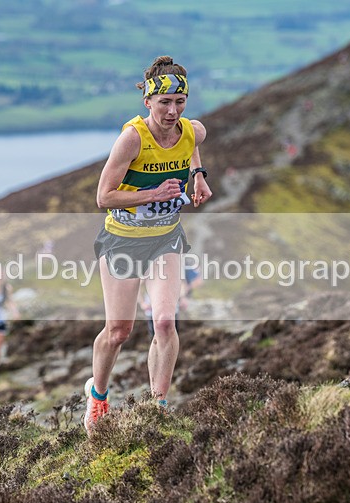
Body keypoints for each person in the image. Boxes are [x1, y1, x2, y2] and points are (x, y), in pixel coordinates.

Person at [84, 55, 212, 433]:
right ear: (148, 102)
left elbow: (190, 142)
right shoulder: (132, 138)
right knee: (119, 331)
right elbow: (103, 197)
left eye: (180, 102)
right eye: (164, 104)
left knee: (165, 322)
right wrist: (151, 193)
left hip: (165, 240)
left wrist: (198, 175)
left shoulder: (193, 129)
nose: (173, 112)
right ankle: (98, 396)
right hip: (122, 241)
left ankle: (157, 407)